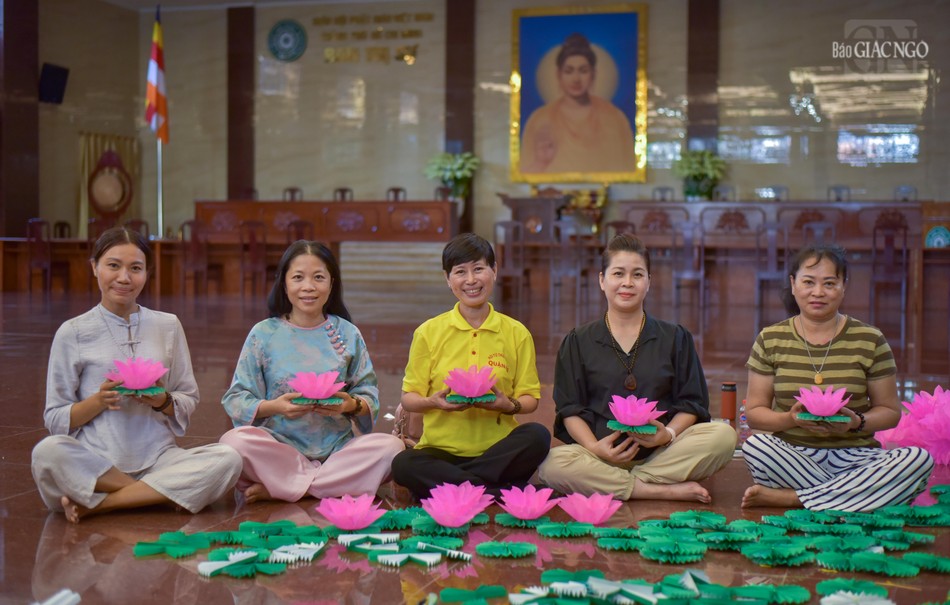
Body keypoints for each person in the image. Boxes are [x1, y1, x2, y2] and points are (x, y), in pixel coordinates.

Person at [31, 227, 242, 523]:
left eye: (136, 268)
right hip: (96, 461)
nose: (124, 278)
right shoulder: (73, 332)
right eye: (113, 265)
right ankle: (152, 495)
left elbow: (187, 396)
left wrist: (161, 400)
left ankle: (104, 504)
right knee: (48, 453)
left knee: (229, 459)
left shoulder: (168, 325)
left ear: (147, 273)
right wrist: (99, 401)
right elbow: (54, 418)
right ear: (94, 267)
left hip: (159, 459)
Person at [538, 234, 736, 502]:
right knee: (552, 463)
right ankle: (654, 489)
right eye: (618, 273)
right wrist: (595, 449)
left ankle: (624, 485)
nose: (627, 283)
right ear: (601, 280)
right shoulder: (578, 341)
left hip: (662, 454)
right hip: (600, 457)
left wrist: (666, 435)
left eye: (637, 275)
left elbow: (691, 403)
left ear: (649, 282)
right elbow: (569, 409)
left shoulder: (675, 337)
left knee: (723, 436)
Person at [741, 244, 933, 511]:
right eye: (808, 282)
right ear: (793, 284)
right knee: (756, 445)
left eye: (829, 283)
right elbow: (754, 413)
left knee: (918, 459)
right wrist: (789, 419)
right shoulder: (770, 339)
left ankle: (796, 499)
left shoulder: (870, 339)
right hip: (794, 456)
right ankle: (858, 495)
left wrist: (856, 422)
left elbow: (890, 411)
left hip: (858, 457)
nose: (818, 292)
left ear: (844, 286)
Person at [220, 240, 404, 503]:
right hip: (279, 449)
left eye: (318, 277)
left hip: (337, 452)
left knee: (393, 448)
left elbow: (369, 396)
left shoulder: (347, 333)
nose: (308, 287)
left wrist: (350, 405)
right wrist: (276, 407)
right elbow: (237, 398)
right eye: (298, 277)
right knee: (233, 443)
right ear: (284, 283)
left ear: (331, 283)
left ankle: (285, 488)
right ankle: (324, 485)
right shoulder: (264, 333)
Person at [390, 233, 550, 499]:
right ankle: (498, 491)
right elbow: (409, 399)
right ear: (447, 279)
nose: (471, 280)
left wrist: (507, 405)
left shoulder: (516, 332)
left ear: (494, 271)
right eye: (460, 272)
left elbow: (530, 399)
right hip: (441, 453)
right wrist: (434, 402)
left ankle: (457, 487)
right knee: (404, 464)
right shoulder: (428, 332)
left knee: (538, 436)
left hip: (498, 451)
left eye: (479, 269)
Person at [520, 32, 637, 174]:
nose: (576, 79)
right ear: (559, 75)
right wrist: (541, 162)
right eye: (569, 71)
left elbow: (628, 169)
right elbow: (525, 174)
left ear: (593, 74)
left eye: (583, 71)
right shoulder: (539, 119)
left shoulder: (614, 118)